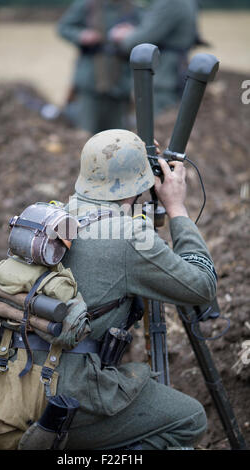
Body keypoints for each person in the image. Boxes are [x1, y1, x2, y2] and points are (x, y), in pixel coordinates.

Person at [50, 128, 215, 450]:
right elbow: (202, 286)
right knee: (190, 419)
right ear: (140, 183)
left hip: (14, 379)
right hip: (66, 399)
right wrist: (177, 208)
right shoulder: (130, 236)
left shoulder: (53, 214)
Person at [57, 0, 144, 134]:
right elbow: (64, 27)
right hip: (90, 81)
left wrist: (131, 33)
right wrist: (81, 35)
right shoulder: (86, 4)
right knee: (85, 132)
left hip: (121, 83)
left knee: (119, 136)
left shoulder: (135, 8)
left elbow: (148, 33)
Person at [110, 0, 200, 115]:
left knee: (157, 123)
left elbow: (144, 37)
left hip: (162, 76)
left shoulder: (171, 3)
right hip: (171, 71)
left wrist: (124, 37)